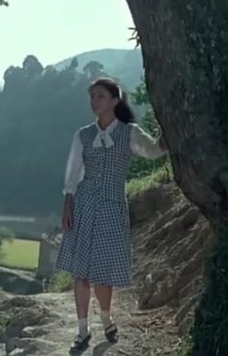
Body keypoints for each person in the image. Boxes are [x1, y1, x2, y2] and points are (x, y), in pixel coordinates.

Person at [55, 77, 168, 351]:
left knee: (103, 273)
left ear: (115, 100)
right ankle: (82, 330)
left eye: (100, 96)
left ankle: (106, 319)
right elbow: (73, 174)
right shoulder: (83, 135)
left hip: (112, 207)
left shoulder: (130, 133)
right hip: (84, 205)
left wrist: (169, 129)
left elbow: (153, 151)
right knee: (81, 272)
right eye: (92, 97)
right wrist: (68, 206)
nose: (94, 102)